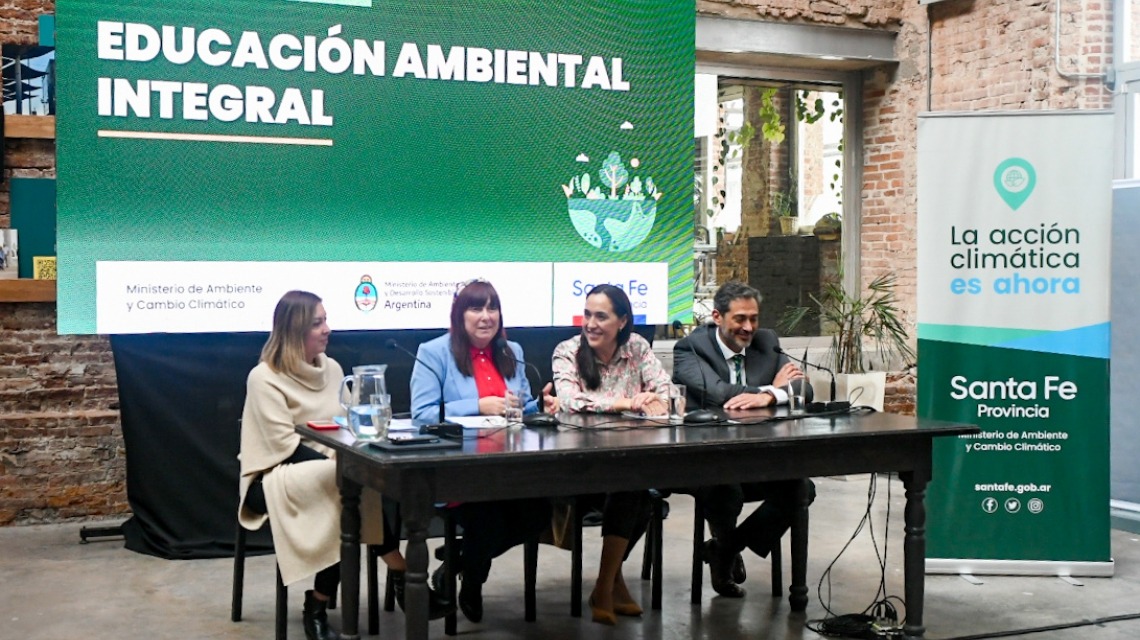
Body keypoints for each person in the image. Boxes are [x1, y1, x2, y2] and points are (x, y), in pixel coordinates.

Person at [239, 290, 453, 640]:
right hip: (272, 475)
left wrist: (350, 460)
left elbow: (348, 427)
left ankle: (321, 602)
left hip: (329, 470)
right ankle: (398, 573)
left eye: (326, 320)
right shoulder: (263, 377)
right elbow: (284, 447)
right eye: (317, 323)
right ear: (294, 331)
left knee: (349, 488)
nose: (327, 329)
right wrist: (344, 466)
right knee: (346, 484)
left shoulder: (334, 368)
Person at [410, 279, 557, 623]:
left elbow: (518, 411)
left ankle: (458, 563)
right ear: (459, 315)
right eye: (476, 308)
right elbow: (423, 415)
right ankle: (472, 582)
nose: (486, 316)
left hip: (509, 466)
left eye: (493, 308)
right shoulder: (433, 353)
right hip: (458, 471)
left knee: (538, 515)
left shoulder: (512, 351)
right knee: (487, 520)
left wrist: (541, 406)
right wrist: (477, 405)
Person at [672, 281, 817, 598]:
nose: (749, 327)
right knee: (727, 492)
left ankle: (723, 550)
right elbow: (719, 395)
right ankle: (725, 557)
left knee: (801, 488)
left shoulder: (767, 342)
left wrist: (771, 395)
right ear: (717, 317)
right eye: (740, 319)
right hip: (703, 460)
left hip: (757, 456)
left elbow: (805, 390)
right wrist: (772, 391)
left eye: (754, 318)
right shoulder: (690, 348)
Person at [551, 284, 670, 625]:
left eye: (601, 316)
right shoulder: (568, 351)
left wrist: (657, 400)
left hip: (629, 459)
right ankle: (608, 586)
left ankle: (605, 584)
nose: (590, 323)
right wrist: (628, 402)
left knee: (639, 493)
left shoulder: (637, 347)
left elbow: (665, 390)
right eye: (587, 314)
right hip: (580, 465)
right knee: (633, 492)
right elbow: (571, 400)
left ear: (622, 321)